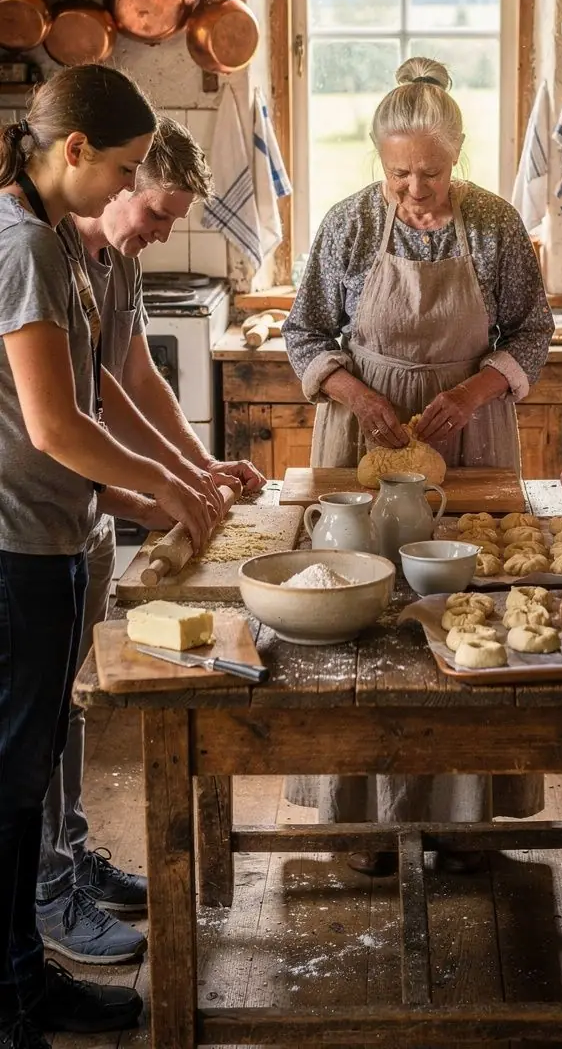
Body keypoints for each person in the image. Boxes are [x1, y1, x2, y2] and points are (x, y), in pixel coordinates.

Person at [284, 57, 553, 875]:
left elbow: (532, 333)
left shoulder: (498, 226)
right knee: (363, 611)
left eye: (430, 173)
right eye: (398, 173)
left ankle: (465, 820)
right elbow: (305, 333)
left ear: (458, 154)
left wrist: (472, 394)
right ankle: (363, 822)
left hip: (470, 436)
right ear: (380, 162)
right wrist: (358, 398)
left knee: (462, 607)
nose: (415, 191)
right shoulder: (347, 226)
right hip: (365, 437)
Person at [0, 66, 221, 1049]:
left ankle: (24, 979)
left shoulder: (45, 237)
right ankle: (14, 993)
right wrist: (164, 488)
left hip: (47, 538)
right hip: (15, 546)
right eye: (128, 168)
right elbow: (54, 426)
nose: (129, 188)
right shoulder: (24, 245)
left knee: (31, 767)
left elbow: (98, 390)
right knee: (10, 787)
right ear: (76, 152)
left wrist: (162, 480)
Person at [36, 115, 265, 967]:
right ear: (114, 179)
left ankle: (70, 852)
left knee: (71, 701)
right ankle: (46, 890)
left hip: (80, 518)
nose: (162, 234)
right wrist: (154, 490)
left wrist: (198, 467)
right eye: (156, 213)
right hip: (30, 516)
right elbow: (66, 416)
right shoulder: (41, 253)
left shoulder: (117, 265)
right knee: (34, 720)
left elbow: (127, 381)